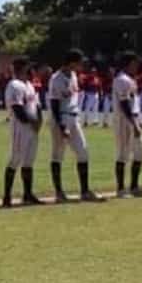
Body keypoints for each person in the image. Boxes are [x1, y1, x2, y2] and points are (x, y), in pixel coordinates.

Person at [50, 49, 101, 202]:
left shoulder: (73, 75)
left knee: (83, 152)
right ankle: (59, 193)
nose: (81, 65)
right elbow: (54, 104)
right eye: (79, 62)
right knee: (58, 155)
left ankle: (85, 191)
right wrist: (61, 125)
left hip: (74, 117)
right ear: (72, 62)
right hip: (61, 117)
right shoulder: (56, 78)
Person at [2, 57, 44, 206]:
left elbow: (37, 106)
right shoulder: (14, 85)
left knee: (29, 161)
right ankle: (7, 197)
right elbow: (17, 109)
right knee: (15, 159)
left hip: (32, 127)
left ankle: (28, 194)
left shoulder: (29, 85)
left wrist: (39, 122)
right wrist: (33, 121)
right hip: (20, 126)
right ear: (22, 68)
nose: (31, 69)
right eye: (28, 67)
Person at [112, 51, 142, 198]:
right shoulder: (121, 79)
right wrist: (134, 124)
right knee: (123, 154)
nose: (137, 65)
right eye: (135, 63)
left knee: (140, 152)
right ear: (129, 63)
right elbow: (124, 104)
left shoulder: (130, 79)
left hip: (133, 118)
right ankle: (121, 189)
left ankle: (134, 187)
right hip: (124, 120)